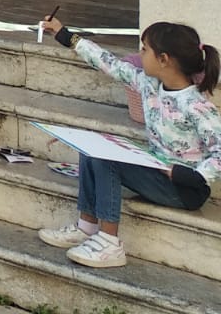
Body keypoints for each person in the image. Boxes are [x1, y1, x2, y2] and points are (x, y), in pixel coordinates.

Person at [36, 15, 219, 269]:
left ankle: (109, 242)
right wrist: (65, 36)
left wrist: (191, 175)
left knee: (108, 161)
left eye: (145, 50)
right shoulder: (149, 83)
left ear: (164, 59)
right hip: (157, 169)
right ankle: (87, 227)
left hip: (184, 189)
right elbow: (109, 63)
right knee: (94, 148)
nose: (140, 54)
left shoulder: (196, 105)